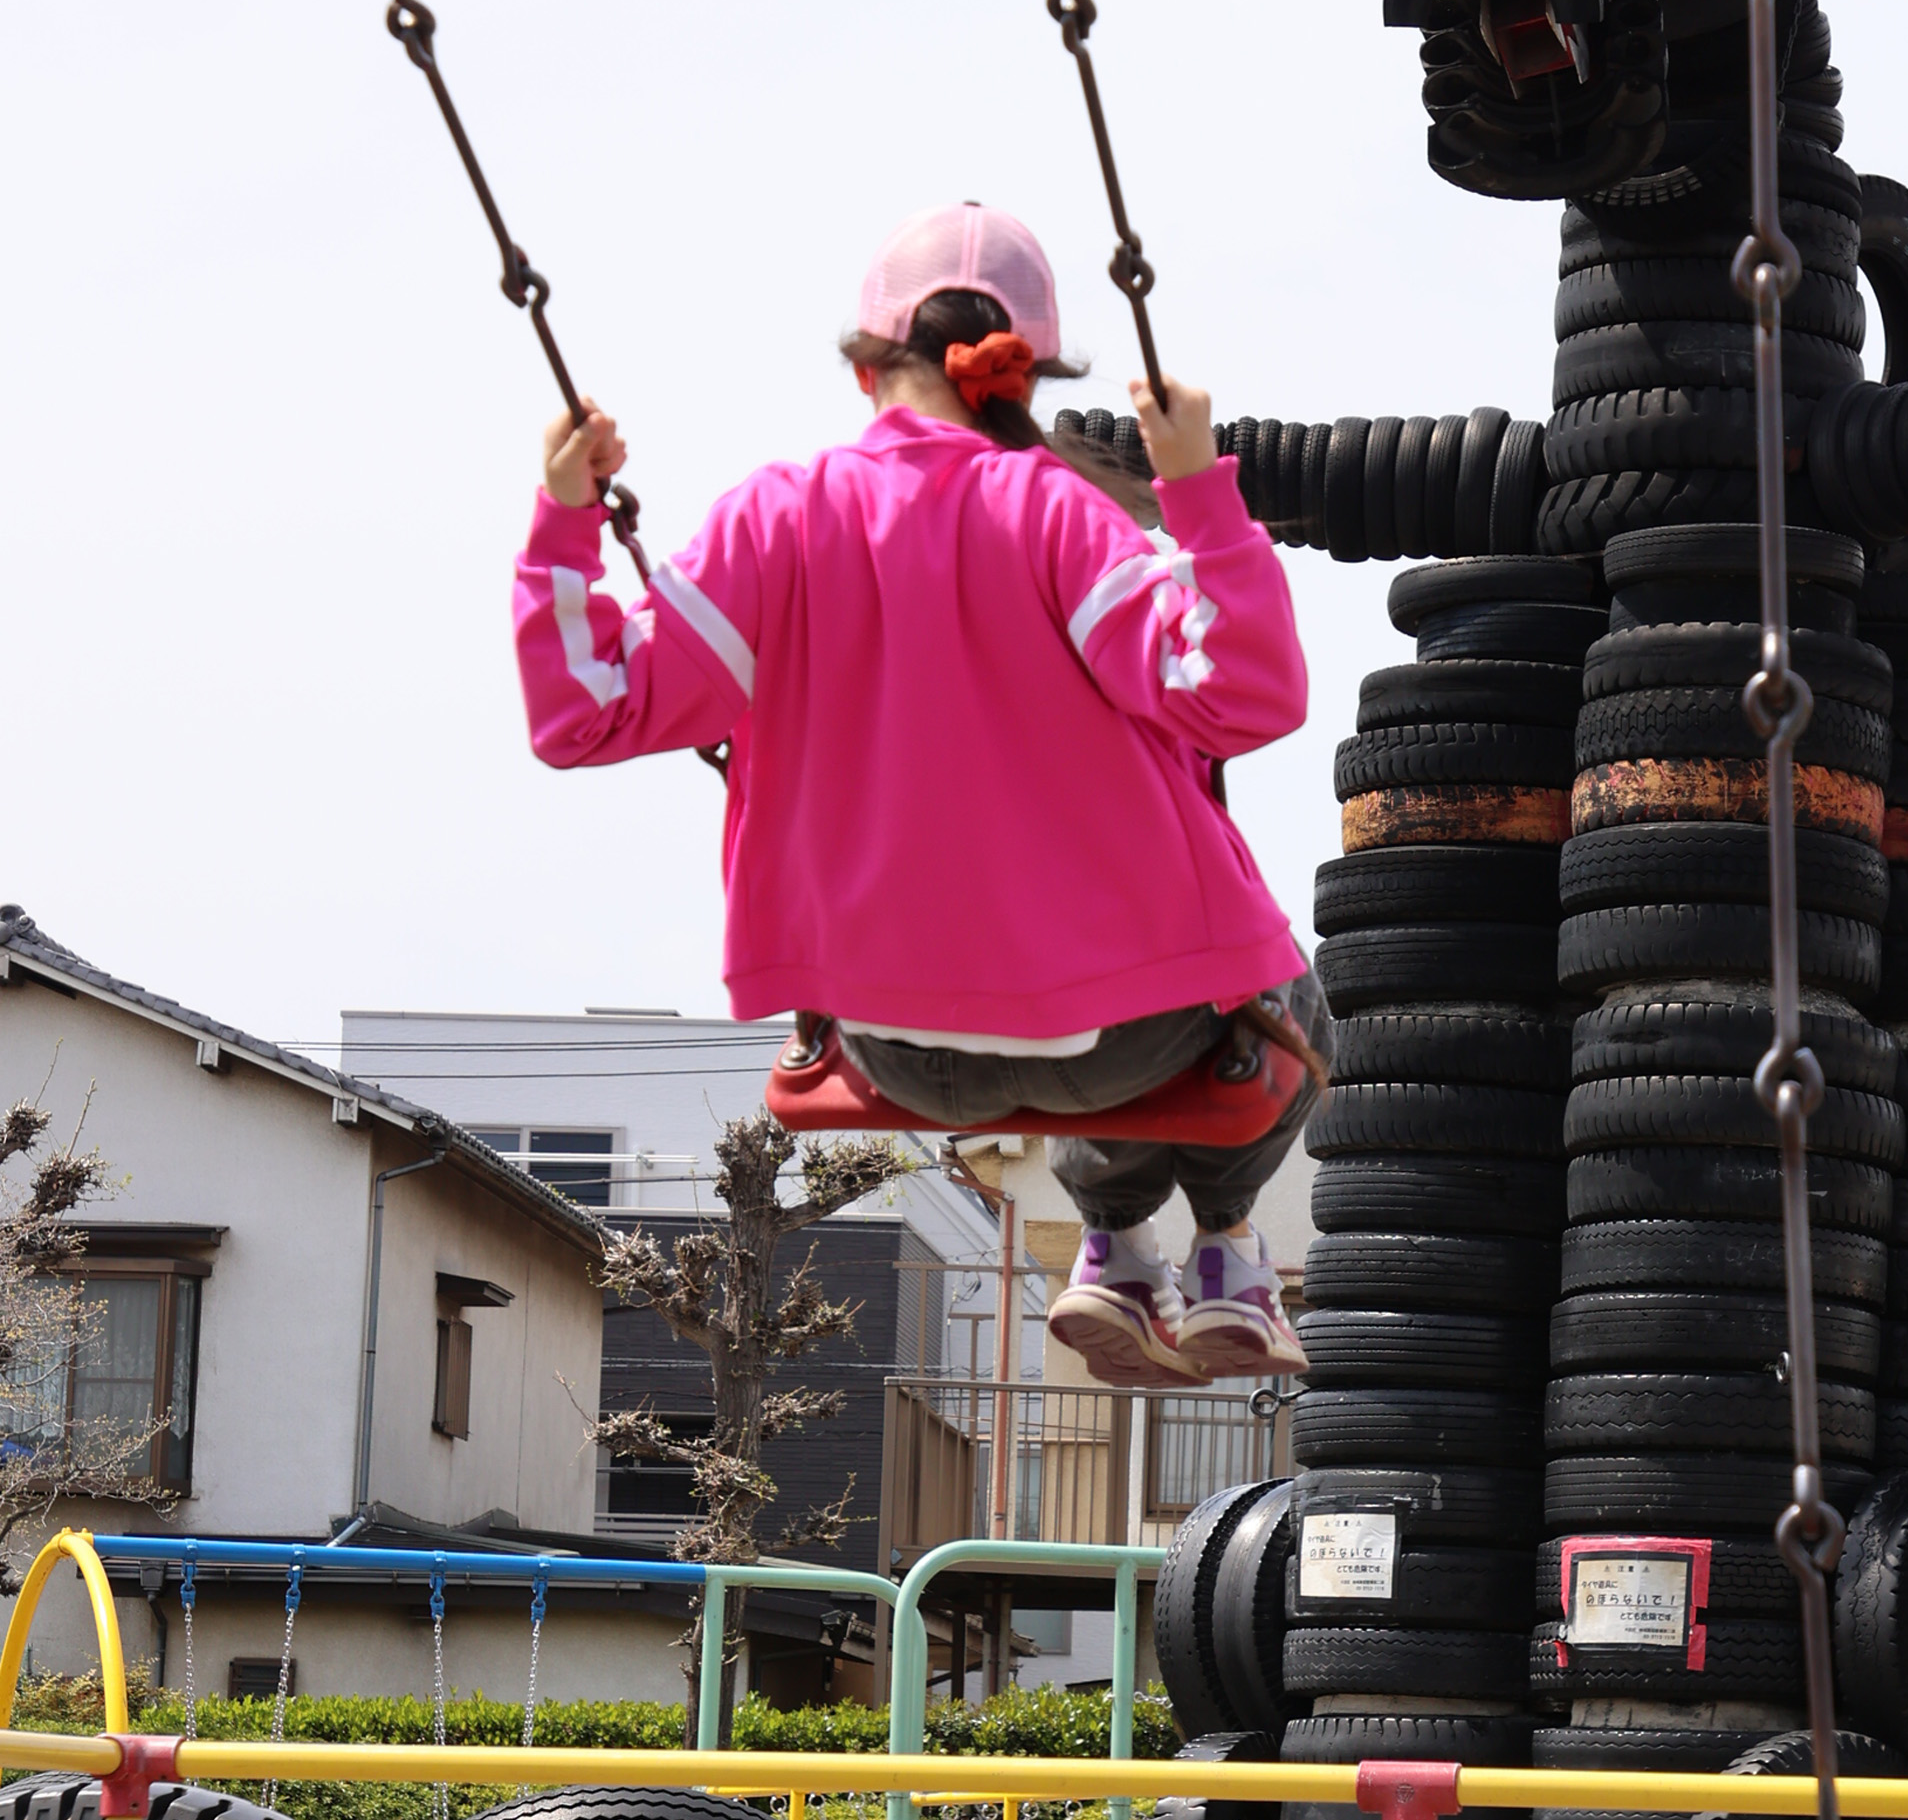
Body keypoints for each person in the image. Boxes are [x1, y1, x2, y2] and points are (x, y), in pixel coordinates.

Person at [511, 201, 1326, 1388]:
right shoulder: (1060, 515)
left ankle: (1114, 1250)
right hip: (1117, 1041)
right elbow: (1242, 691)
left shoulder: (773, 518)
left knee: (1108, 1007)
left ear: (861, 367)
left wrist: (567, 524)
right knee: (1270, 1002)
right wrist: (1197, 492)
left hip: (896, 1048)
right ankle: (1221, 1251)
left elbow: (585, 713)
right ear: (1028, 370)